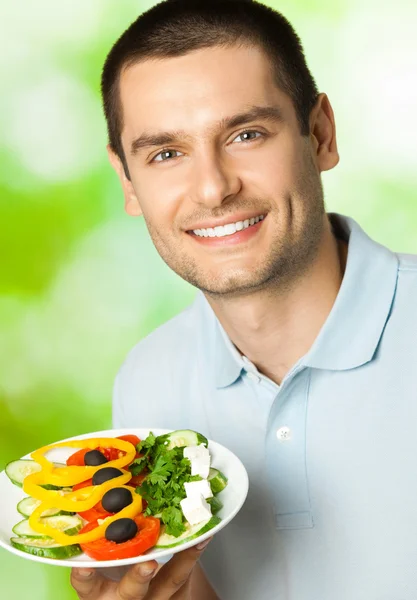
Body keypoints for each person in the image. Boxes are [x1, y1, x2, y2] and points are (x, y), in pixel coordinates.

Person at [71, 0, 417, 599]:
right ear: (127, 181)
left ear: (320, 135)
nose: (213, 186)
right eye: (166, 154)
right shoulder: (147, 381)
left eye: (246, 134)